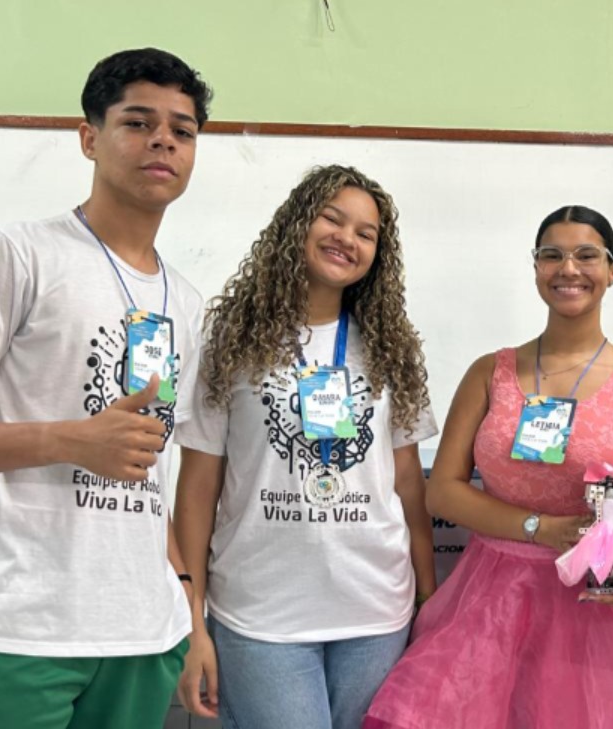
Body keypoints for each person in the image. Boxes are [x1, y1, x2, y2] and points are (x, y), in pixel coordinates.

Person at [365, 205, 613, 729]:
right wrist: (541, 530)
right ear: (535, 269)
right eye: (552, 255)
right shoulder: (490, 373)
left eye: (586, 255)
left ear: (612, 271)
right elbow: (444, 493)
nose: (568, 268)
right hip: (488, 603)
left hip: (596, 614)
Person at [0, 48, 212, 729]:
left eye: (183, 129)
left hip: (144, 634)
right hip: (21, 631)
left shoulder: (188, 303)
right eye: (137, 122)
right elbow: (100, 446)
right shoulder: (18, 255)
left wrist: (189, 618)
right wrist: (71, 439)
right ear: (89, 137)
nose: (163, 139)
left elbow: (152, 477)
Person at [174, 164, 437, 729]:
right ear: (297, 224)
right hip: (260, 616)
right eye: (333, 219)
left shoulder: (389, 347)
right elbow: (197, 490)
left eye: (366, 233)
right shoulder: (229, 340)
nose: (347, 238)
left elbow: (408, 484)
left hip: (376, 614)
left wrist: (428, 602)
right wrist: (193, 623)